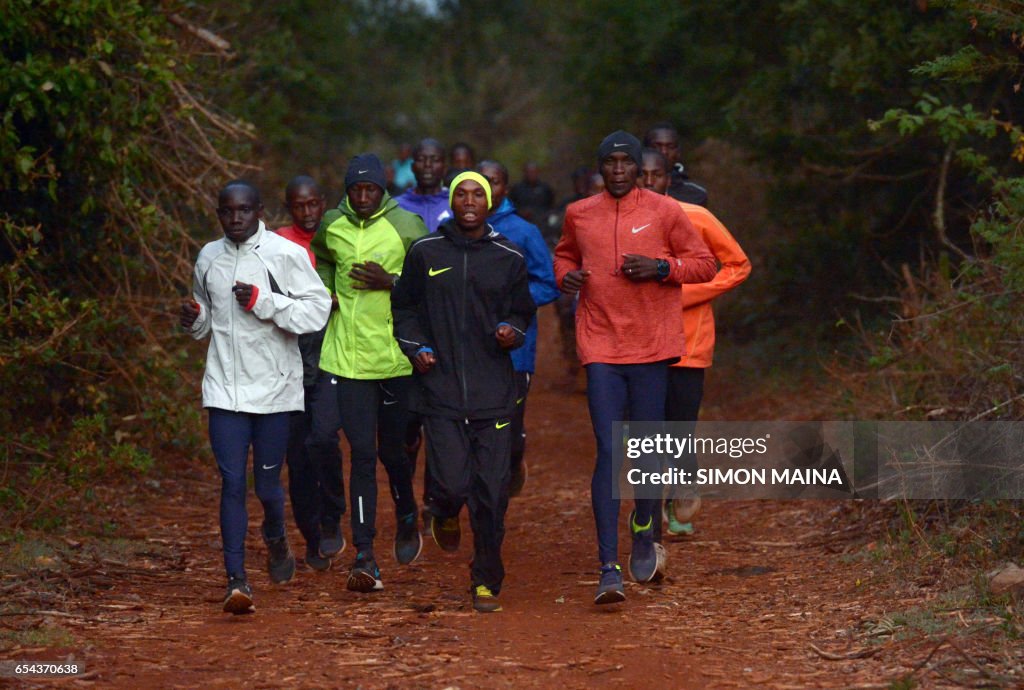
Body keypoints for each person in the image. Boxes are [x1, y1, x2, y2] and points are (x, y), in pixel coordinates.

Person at [553, 131, 716, 605]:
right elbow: (564, 254)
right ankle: (608, 566)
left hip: (651, 346)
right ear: (600, 168)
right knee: (609, 450)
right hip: (601, 344)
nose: (620, 170)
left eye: (627, 162)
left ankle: (645, 527)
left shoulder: (665, 211)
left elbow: (704, 263)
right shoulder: (580, 213)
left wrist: (662, 269)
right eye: (611, 163)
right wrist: (568, 276)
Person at [180, 180, 331, 614]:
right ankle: (236, 581)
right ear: (219, 215)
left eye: (244, 211)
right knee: (231, 482)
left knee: (266, 485)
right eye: (227, 212)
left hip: (274, 390)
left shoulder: (286, 254)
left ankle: (277, 534)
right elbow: (206, 321)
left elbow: (316, 310)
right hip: (224, 389)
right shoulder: (209, 256)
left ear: (259, 211)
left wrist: (266, 302)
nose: (236, 219)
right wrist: (193, 318)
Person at [392, 172, 536, 613]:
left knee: (492, 494)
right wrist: (416, 348)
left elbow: (522, 310)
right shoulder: (425, 251)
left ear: (490, 202)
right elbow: (404, 307)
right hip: (440, 389)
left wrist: (513, 331)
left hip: (494, 390)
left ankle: (486, 579)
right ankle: (443, 508)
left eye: (478, 194)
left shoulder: (508, 255)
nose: (469, 201)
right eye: (461, 194)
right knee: (453, 485)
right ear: (451, 201)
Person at [309, 154, 429, 592]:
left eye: (370, 190)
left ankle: (408, 514)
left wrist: (390, 282)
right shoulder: (332, 224)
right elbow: (320, 259)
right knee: (360, 453)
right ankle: (364, 555)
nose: (362, 197)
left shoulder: (408, 226)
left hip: (395, 360)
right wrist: (325, 291)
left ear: (383, 191)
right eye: (356, 190)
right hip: (347, 357)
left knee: (392, 454)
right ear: (346, 189)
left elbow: (428, 282)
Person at [638, 148, 751, 537]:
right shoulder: (621, 222)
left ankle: (682, 487)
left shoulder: (697, 217)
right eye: (643, 175)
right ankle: (648, 520)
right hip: (638, 344)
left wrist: (690, 293)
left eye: (657, 175)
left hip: (689, 343)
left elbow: (738, 265)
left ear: (670, 179)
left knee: (680, 426)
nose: (649, 182)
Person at [478, 160, 561, 496]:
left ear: (505, 189)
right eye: (481, 182)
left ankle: (514, 459)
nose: (487, 188)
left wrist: (513, 305)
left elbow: (548, 283)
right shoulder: (452, 230)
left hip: (515, 352)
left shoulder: (524, 232)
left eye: (494, 182)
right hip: (468, 348)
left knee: (508, 426)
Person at [275, 176, 345, 573]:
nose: (307, 212)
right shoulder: (276, 243)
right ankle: (313, 537)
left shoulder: (337, 236)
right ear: (289, 207)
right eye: (299, 206)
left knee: (323, 439)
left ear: (323, 203)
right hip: (288, 359)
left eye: (313, 204)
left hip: (331, 355)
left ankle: (333, 514)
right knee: (297, 455)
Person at [643, 122, 709, 207]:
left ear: (678, 152)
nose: (664, 152)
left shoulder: (696, 195)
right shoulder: (629, 190)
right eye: (657, 146)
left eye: (670, 147)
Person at [396, 138, 452, 233]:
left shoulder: (455, 205)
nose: (427, 164)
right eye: (421, 159)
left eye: (435, 160)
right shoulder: (396, 206)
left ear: (445, 168)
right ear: (412, 167)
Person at [508, 161, 554, 226]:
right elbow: (511, 205)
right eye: (529, 172)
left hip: (542, 223)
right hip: (522, 222)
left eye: (533, 172)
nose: (531, 174)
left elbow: (551, 206)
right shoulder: (517, 188)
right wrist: (520, 212)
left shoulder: (545, 188)